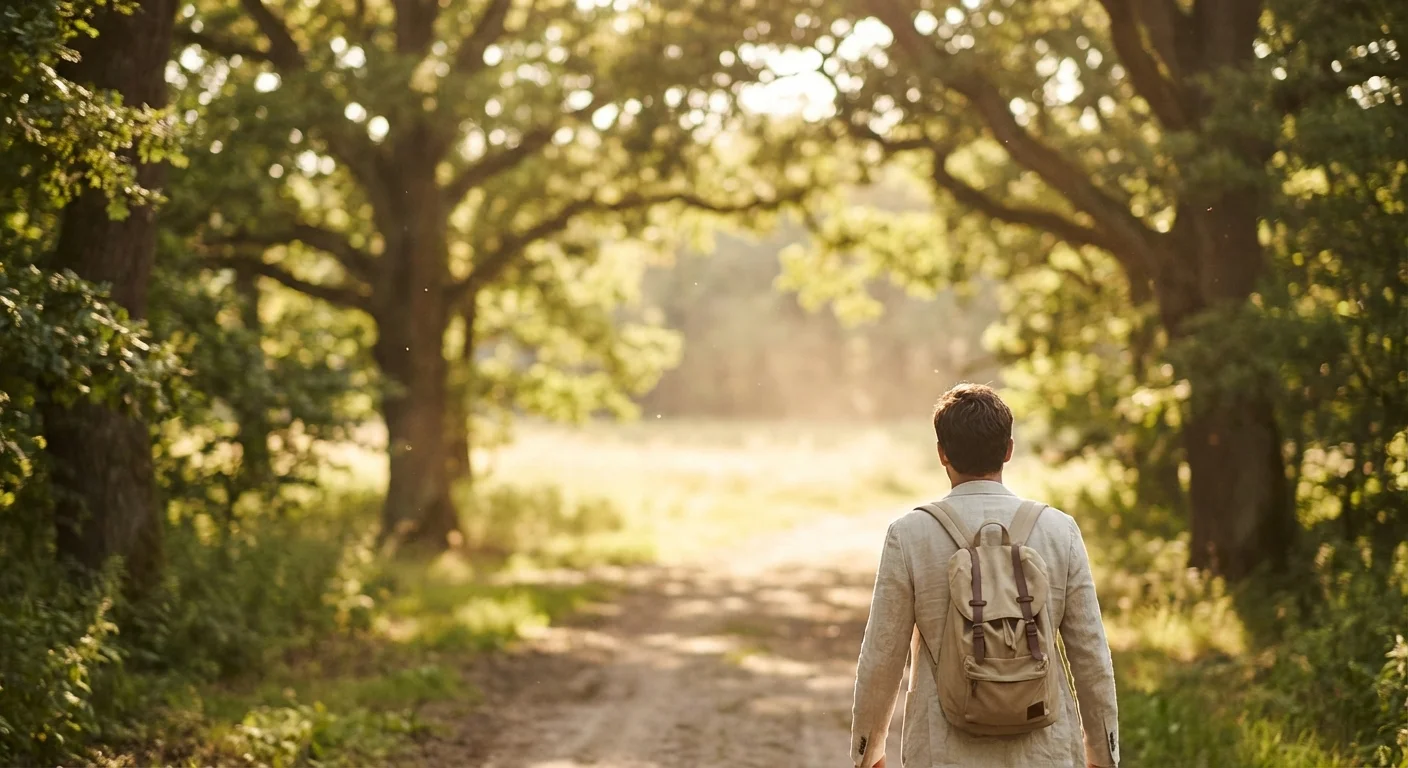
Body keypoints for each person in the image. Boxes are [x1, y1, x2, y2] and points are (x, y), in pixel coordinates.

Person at [850, 383, 1119, 768]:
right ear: (1008, 450)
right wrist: (1102, 755)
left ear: (942, 453)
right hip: (1044, 752)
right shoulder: (1059, 531)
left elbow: (881, 656)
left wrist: (868, 752)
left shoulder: (910, 534)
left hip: (942, 752)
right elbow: (1090, 654)